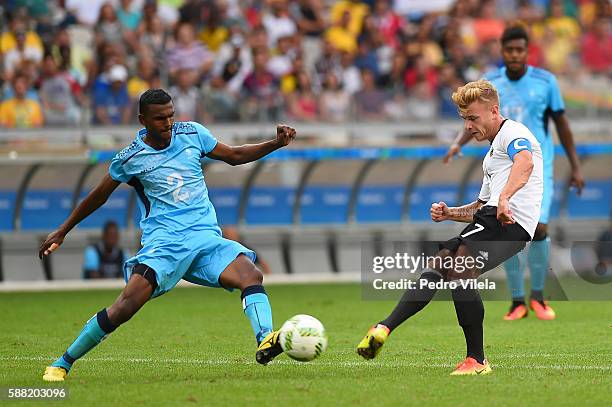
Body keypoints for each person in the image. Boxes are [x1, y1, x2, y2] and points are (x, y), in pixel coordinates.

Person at [40, 89, 296, 382]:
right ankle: (63, 362)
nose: (168, 122)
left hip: (205, 238)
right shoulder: (130, 158)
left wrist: (276, 143)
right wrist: (62, 230)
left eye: (171, 115)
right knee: (125, 307)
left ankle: (265, 339)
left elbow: (235, 156)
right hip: (165, 246)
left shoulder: (193, 134)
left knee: (251, 275)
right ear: (143, 120)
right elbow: (98, 197)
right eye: (160, 118)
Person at [357, 79, 543, 375]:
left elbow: (525, 163)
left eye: (473, 118)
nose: (468, 126)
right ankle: (383, 328)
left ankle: (477, 360)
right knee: (441, 264)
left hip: (509, 223)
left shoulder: (514, 133)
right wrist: (450, 213)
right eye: (464, 119)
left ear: (494, 111)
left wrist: (506, 197)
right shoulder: (492, 156)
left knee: (459, 268)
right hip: (494, 220)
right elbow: (482, 206)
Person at [443, 24, 584, 321]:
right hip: (504, 165)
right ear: (502, 51)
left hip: (535, 166)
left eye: (520, 49)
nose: (515, 54)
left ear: (527, 50)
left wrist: (575, 165)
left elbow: (561, 124)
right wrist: (458, 143)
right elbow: (475, 117)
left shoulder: (546, 82)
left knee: (539, 228)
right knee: (501, 225)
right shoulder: (491, 83)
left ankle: (539, 298)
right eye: (509, 50)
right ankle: (517, 300)